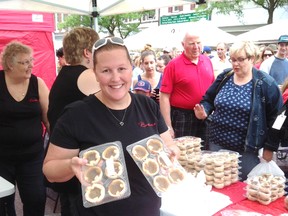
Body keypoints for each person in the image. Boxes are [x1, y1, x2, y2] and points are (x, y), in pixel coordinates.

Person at [43, 36, 179, 216]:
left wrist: (172, 151)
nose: (115, 78)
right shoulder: (76, 115)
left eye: (122, 68)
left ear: (132, 69)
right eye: (106, 70)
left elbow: (168, 144)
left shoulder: (147, 106)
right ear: (95, 73)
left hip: (148, 209)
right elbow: (49, 169)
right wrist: (70, 165)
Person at [194, 41, 283, 180]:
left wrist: (270, 147)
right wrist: (204, 110)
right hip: (217, 144)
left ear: (252, 58)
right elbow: (208, 99)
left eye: (241, 60)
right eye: (233, 60)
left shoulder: (266, 83)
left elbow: (278, 119)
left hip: (247, 150)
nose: (236, 64)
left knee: (244, 190)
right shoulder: (225, 77)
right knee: (217, 183)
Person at [47, 27, 100, 216]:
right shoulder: (86, 75)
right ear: (87, 52)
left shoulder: (65, 74)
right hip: (77, 159)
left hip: (64, 156)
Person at [0, 41, 50, 216]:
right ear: (9, 65)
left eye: (31, 60)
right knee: (3, 203)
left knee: (36, 198)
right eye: (25, 62)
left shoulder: (38, 84)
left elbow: (48, 119)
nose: (31, 65)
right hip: (2, 158)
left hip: (32, 156)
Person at [159, 30, 214, 141]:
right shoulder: (173, 65)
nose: (196, 47)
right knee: (183, 153)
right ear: (183, 44)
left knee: (205, 152)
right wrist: (168, 126)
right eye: (191, 43)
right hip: (182, 117)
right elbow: (164, 96)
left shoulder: (207, 61)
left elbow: (212, 89)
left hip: (204, 113)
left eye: (198, 43)